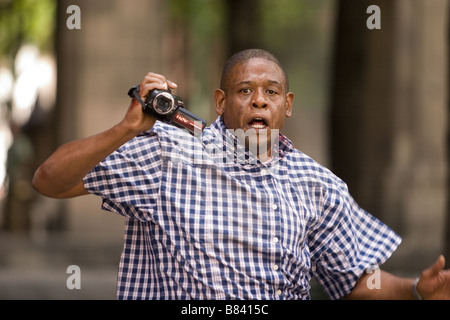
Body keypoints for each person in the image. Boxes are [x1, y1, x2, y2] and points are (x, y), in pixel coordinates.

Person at [32, 49, 450, 300]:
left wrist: (415, 290)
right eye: (244, 91)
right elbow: (49, 180)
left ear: (287, 105)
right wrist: (125, 130)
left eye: (270, 92)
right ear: (220, 101)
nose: (258, 102)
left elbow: (357, 280)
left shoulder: (318, 186)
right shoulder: (167, 153)